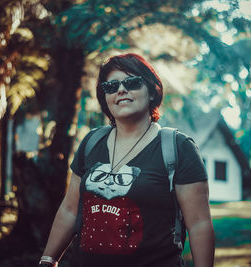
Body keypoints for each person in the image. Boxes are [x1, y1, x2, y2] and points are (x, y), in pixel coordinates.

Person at [39, 53, 215, 267]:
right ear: (105, 97)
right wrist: (48, 260)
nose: (121, 90)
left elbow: (199, 224)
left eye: (132, 82)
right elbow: (69, 209)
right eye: (111, 86)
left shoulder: (178, 147)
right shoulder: (91, 142)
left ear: (152, 91)